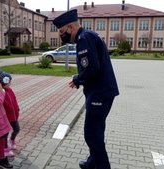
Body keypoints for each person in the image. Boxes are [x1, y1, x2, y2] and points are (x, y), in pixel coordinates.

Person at [53, 9, 119, 169]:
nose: (61, 35)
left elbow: (90, 68)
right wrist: (80, 79)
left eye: (62, 31)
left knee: (91, 134)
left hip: (99, 93)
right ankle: (92, 162)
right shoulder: (88, 36)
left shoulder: (84, 38)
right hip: (101, 91)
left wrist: (77, 79)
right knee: (96, 131)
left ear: (70, 28)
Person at [0, 70, 20, 157]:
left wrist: (17, 108)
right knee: (5, 134)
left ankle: (12, 140)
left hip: (14, 115)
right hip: (5, 117)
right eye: (8, 83)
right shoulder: (0, 92)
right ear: (2, 83)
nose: (10, 84)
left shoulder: (10, 90)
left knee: (17, 129)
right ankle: (5, 149)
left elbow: (14, 99)